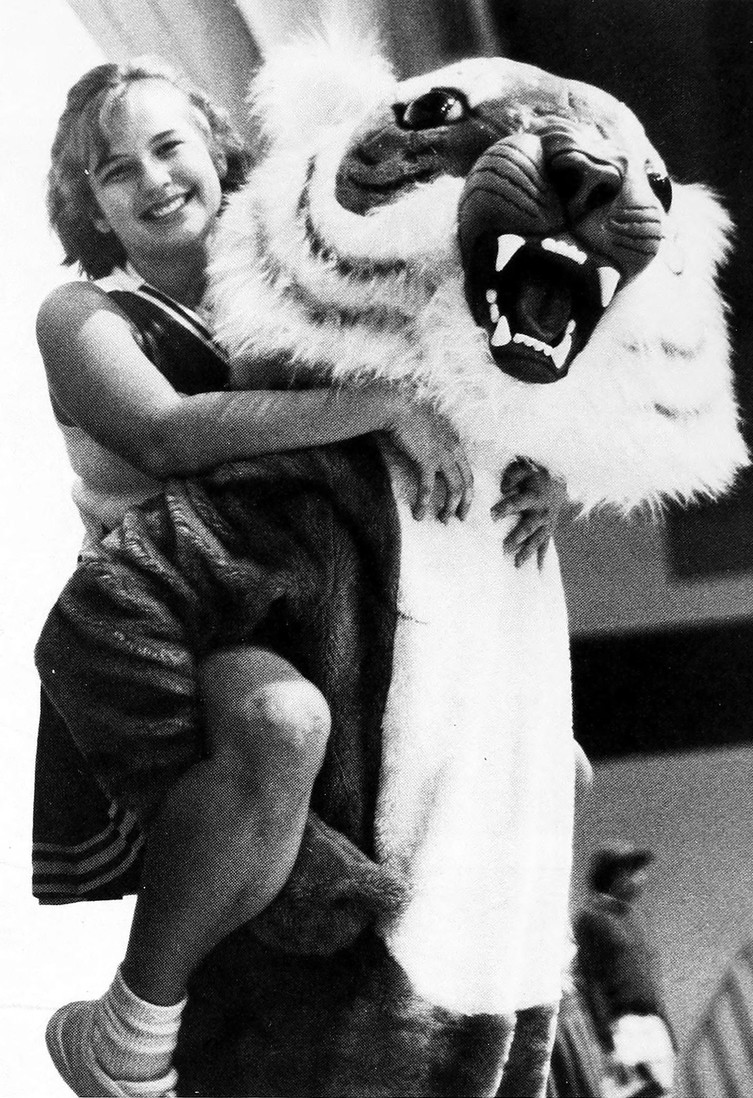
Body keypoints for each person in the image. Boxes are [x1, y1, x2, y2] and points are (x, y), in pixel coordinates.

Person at [34, 58, 562, 1098]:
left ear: (216, 148)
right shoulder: (85, 313)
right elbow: (166, 432)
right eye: (114, 170)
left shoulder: (292, 278)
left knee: (550, 770)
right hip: (182, 612)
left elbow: (454, 367)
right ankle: (129, 1028)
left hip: (324, 598)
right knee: (282, 726)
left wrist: (548, 471)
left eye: (168, 146)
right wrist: (375, 406)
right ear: (88, 204)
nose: (152, 180)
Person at [574, 844, 676, 1097]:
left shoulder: (636, 918)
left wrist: (666, 1027)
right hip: (624, 1026)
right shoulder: (591, 919)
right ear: (617, 874)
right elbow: (590, 981)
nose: (643, 878)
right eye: (636, 871)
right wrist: (607, 1042)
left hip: (654, 1024)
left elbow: (649, 978)